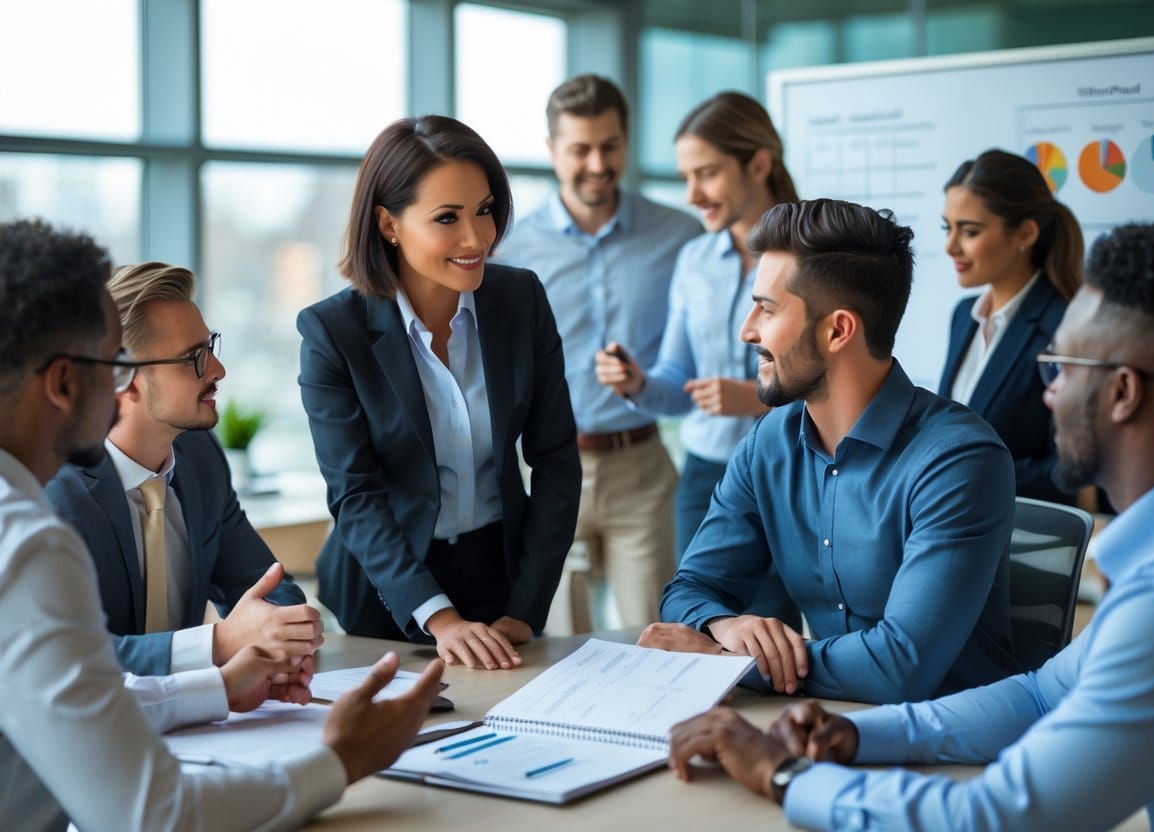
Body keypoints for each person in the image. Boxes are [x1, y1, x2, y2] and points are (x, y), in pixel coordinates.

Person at [664, 222, 1154, 831]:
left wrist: (783, 770)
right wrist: (849, 733)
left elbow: (996, 817)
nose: (1049, 393)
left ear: (1123, 392)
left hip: (950, 787)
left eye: (1060, 364)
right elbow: (1039, 695)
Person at [0, 218, 444, 831]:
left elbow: (86, 691)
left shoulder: (196, 460)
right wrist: (340, 761)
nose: (219, 370)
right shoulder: (29, 535)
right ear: (68, 381)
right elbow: (151, 815)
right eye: (105, 364)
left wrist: (234, 677)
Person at [645, 198, 1020, 703]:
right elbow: (688, 589)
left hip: (956, 746)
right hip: (832, 724)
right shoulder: (768, 444)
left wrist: (724, 662)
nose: (747, 330)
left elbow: (898, 667)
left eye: (768, 308)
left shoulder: (957, 461)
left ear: (838, 330)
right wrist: (722, 624)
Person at [298, 116, 580, 670]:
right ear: (388, 225)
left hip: (502, 581)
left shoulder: (521, 300)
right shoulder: (333, 332)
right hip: (389, 597)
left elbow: (556, 461)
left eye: (485, 209)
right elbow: (356, 495)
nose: (477, 238)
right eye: (447, 218)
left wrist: (527, 606)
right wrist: (439, 617)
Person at [46, 262, 321, 677]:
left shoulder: (200, 458)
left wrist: (283, 634)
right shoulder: (50, 490)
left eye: (210, 347)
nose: (217, 371)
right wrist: (221, 642)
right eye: (194, 358)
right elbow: (67, 659)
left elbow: (265, 584)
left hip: (201, 723)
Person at [496, 74, 701, 628]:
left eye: (609, 146)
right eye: (579, 148)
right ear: (551, 151)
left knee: (659, 635)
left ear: (627, 143)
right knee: (555, 646)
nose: (596, 162)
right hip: (546, 466)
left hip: (642, 467)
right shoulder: (508, 247)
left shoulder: (679, 236)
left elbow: (692, 360)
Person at [594, 91, 798, 624]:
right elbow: (677, 383)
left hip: (791, 470)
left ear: (758, 163)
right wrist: (639, 383)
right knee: (698, 624)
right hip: (706, 475)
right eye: (686, 176)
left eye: (706, 173)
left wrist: (755, 399)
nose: (693, 194)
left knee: (771, 634)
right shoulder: (694, 259)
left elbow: (841, 379)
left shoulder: (811, 253)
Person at [938, 148, 1083, 503]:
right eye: (948, 228)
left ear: (1025, 233)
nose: (950, 247)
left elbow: (1071, 475)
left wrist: (958, 471)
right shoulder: (964, 316)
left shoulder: (1064, 325)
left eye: (969, 231)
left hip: (1028, 540)